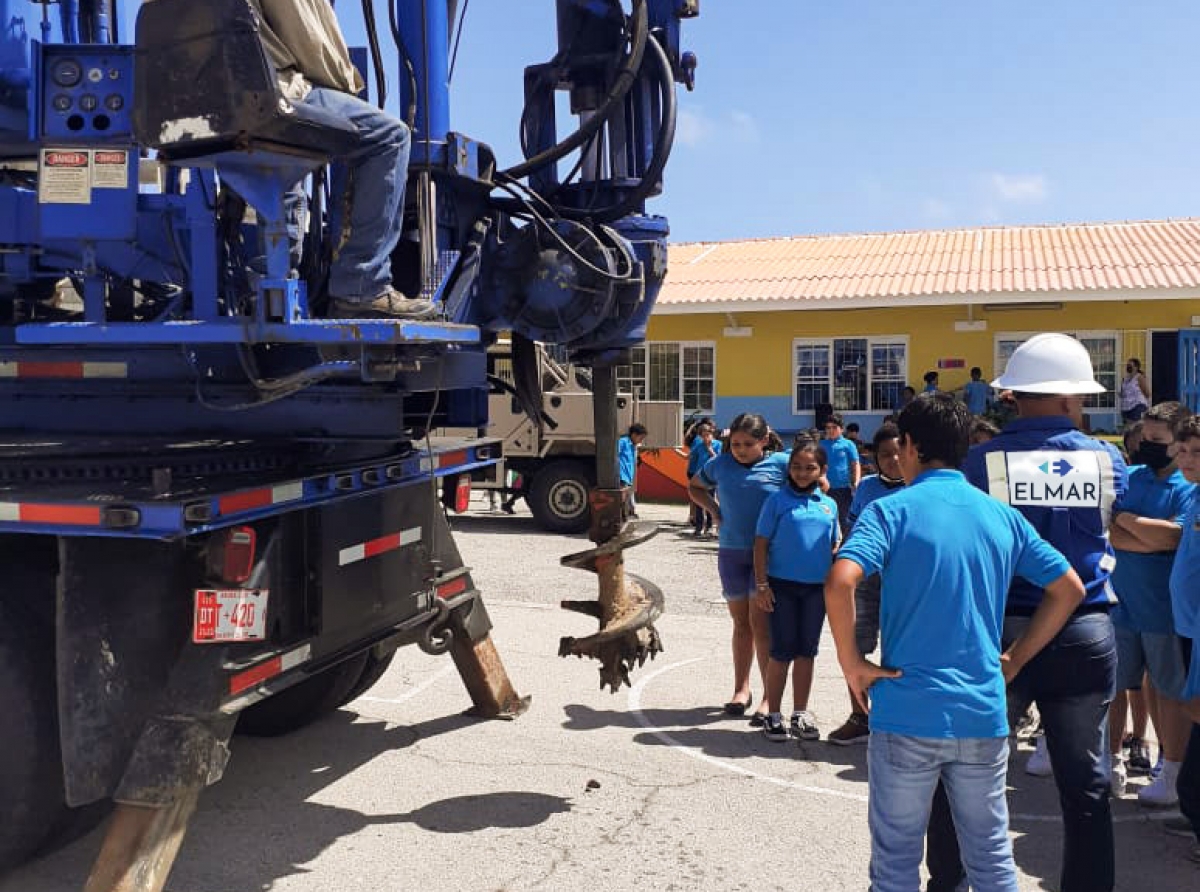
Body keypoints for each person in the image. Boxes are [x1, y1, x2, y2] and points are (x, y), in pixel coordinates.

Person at [825, 392, 1085, 892]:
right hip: (981, 711)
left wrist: (852, 662)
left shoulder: (889, 511)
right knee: (990, 858)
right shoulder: (999, 516)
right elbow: (1069, 588)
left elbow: (841, 580)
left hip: (907, 710)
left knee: (895, 862)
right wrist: (1013, 659)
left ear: (909, 446)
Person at [959, 332, 1127, 892]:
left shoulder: (982, 462)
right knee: (1086, 785)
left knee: (975, 773)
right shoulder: (1107, 459)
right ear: (1068, 397)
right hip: (1086, 629)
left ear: (1014, 394)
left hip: (1004, 630)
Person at [248, 0, 436, 320]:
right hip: (272, 96)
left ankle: (268, 286)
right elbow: (310, 44)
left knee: (280, 160)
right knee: (390, 137)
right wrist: (348, 84)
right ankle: (361, 285)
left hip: (202, 113)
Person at [1107, 402, 1197, 803]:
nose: (1146, 445)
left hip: (1165, 613)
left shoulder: (1189, 486)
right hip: (1121, 606)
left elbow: (1172, 539)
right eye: (1144, 437)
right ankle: (1109, 764)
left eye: (1157, 440)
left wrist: (1127, 522)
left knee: (1169, 693)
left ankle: (1172, 769)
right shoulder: (1130, 476)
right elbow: (1106, 530)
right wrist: (1141, 535)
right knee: (1113, 688)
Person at [689, 413, 788, 724]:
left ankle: (769, 696)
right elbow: (695, 486)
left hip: (769, 556)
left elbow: (817, 485)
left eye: (748, 444)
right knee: (740, 623)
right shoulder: (720, 465)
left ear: (763, 441)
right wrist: (715, 511)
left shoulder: (782, 464)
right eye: (735, 444)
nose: (740, 449)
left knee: (761, 625)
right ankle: (741, 689)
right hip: (731, 552)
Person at [752, 442, 840, 742]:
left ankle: (799, 713)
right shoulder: (777, 501)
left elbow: (834, 544)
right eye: (797, 466)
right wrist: (762, 585)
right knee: (781, 651)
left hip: (816, 590)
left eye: (810, 468)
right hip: (782, 588)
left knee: (807, 651)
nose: (802, 473)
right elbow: (761, 544)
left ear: (822, 471)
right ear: (789, 468)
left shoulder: (828, 504)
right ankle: (773, 713)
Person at [828, 422, 904, 747]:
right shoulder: (868, 487)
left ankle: (898, 721)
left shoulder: (918, 488)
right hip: (867, 579)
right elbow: (853, 529)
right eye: (886, 454)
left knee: (900, 650)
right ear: (874, 457)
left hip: (903, 582)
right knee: (856, 646)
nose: (894, 460)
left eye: (900, 453)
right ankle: (861, 716)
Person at [1163, 414, 1200, 859]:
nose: (1187, 459)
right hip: (1187, 626)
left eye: (1196, 453)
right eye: (1183, 450)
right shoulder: (1191, 496)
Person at [822, 413, 861, 538]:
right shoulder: (822, 445)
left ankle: (843, 549)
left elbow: (855, 464)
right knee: (826, 518)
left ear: (841, 429)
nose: (831, 430)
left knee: (843, 520)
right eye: (828, 428)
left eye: (834, 427)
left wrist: (856, 482)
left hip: (843, 489)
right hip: (825, 490)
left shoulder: (848, 444)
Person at [686, 421, 721, 536]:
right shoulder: (698, 446)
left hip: (711, 477)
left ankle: (710, 526)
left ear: (712, 433)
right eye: (703, 435)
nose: (706, 437)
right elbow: (690, 457)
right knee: (699, 503)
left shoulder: (718, 445)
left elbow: (718, 459)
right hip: (699, 477)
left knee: (710, 501)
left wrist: (710, 448)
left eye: (708, 434)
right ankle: (699, 527)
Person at [618, 423, 648, 519]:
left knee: (625, 498)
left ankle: (623, 516)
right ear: (634, 435)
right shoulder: (623, 442)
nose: (641, 440)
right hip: (622, 475)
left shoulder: (633, 446)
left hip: (628, 476)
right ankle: (619, 518)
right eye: (640, 437)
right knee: (621, 499)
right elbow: (615, 455)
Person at [1120, 358, 1151, 425]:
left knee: (1136, 427)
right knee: (1128, 428)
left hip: (1137, 405)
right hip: (1126, 407)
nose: (1128, 367)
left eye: (1130, 365)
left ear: (1136, 367)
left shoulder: (1139, 377)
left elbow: (1147, 393)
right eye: (1127, 365)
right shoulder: (1125, 379)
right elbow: (1123, 392)